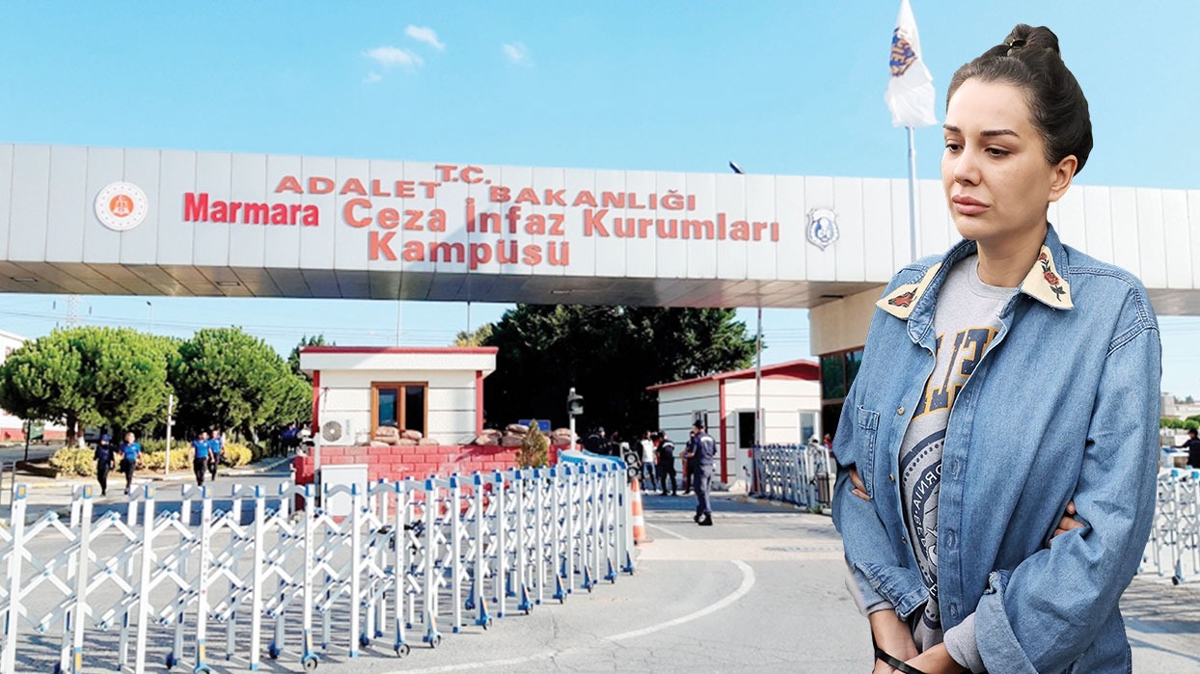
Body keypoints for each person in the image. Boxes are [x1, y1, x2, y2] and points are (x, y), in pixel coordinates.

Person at [831, 25, 1161, 674]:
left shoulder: (1111, 314)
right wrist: (889, 638)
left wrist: (951, 659)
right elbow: (855, 482)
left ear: (1060, 174)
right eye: (953, 144)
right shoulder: (902, 301)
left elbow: (1105, 538)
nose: (964, 169)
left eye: (997, 149)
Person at [686, 420, 716, 526]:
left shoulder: (696, 438)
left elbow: (691, 453)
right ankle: (698, 514)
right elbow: (714, 452)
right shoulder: (711, 438)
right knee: (705, 493)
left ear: (697, 428)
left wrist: (684, 455)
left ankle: (708, 515)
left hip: (701, 467)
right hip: (710, 466)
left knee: (700, 491)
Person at [118, 432, 142, 496]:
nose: (130, 439)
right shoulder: (123, 445)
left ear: (133, 438)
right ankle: (128, 484)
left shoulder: (136, 445)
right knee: (127, 475)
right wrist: (120, 454)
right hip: (125, 461)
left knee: (130, 475)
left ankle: (128, 487)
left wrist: (141, 461)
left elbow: (139, 453)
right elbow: (120, 453)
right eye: (129, 438)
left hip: (132, 461)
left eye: (131, 438)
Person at [656, 432, 677, 496]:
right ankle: (674, 491)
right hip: (671, 461)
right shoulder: (671, 442)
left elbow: (658, 452)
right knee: (672, 477)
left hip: (664, 461)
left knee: (663, 477)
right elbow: (673, 449)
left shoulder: (661, 443)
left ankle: (665, 491)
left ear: (660, 438)